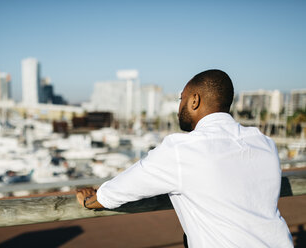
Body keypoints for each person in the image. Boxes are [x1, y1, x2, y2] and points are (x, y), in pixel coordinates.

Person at [76, 69, 293, 247]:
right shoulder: (264, 142)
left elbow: (118, 191)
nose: (179, 107)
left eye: (181, 99)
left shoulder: (183, 149)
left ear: (194, 100)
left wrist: (89, 200)